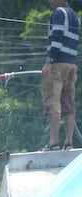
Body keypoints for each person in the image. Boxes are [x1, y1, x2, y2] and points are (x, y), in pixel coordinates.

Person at [44, 0, 81, 150]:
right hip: (71, 64)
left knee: (53, 103)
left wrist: (49, 62)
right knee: (69, 105)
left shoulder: (59, 13)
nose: (49, 1)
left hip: (58, 63)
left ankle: (53, 143)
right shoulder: (75, 16)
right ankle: (69, 142)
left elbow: (57, 39)